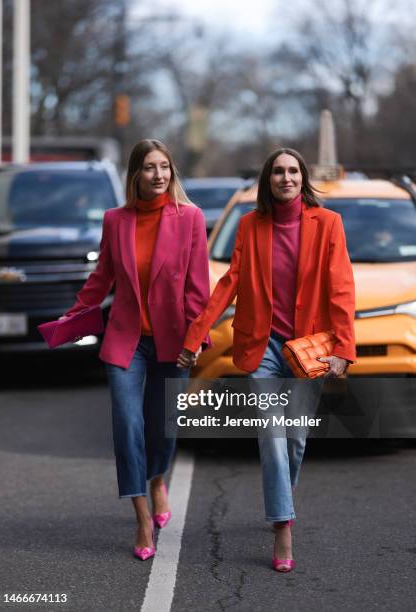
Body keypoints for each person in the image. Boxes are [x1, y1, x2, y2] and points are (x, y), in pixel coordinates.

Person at [177, 147, 356, 572]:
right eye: (278, 171)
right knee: (272, 436)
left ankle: (283, 498)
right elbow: (229, 284)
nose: (286, 177)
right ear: (268, 179)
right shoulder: (250, 225)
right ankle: (282, 526)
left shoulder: (328, 224)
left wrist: (344, 349)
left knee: (294, 438)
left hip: (309, 346)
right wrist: (195, 335)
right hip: (263, 349)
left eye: (293, 170)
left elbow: (341, 288)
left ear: (303, 177)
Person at [64, 139, 210, 560]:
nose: (159, 174)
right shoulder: (116, 220)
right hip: (126, 341)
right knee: (127, 426)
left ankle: (157, 477)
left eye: (164, 166)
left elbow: (198, 288)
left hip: (174, 339)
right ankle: (142, 517)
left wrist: (196, 338)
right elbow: (101, 278)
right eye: (149, 167)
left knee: (163, 427)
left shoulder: (190, 219)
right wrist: (72, 317)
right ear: (135, 175)